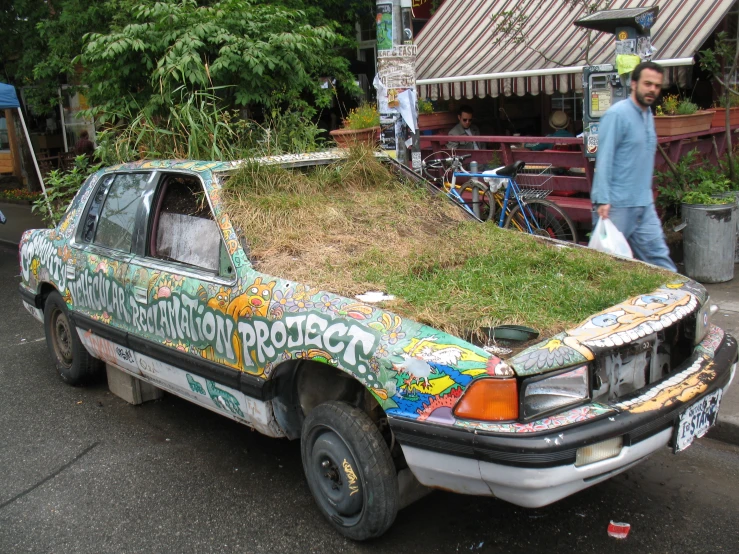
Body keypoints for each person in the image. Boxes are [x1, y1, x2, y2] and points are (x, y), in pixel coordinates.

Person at [590, 61, 677, 272]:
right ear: (634, 84)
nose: (652, 90)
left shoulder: (648, 116)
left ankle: (678, 304)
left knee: (660, 261)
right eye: (648, 84)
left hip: (643, 205)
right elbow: (604, 157)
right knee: (608, 269)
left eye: (657, 86)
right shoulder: (617, 115)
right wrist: (602, 200)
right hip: (615, 206)